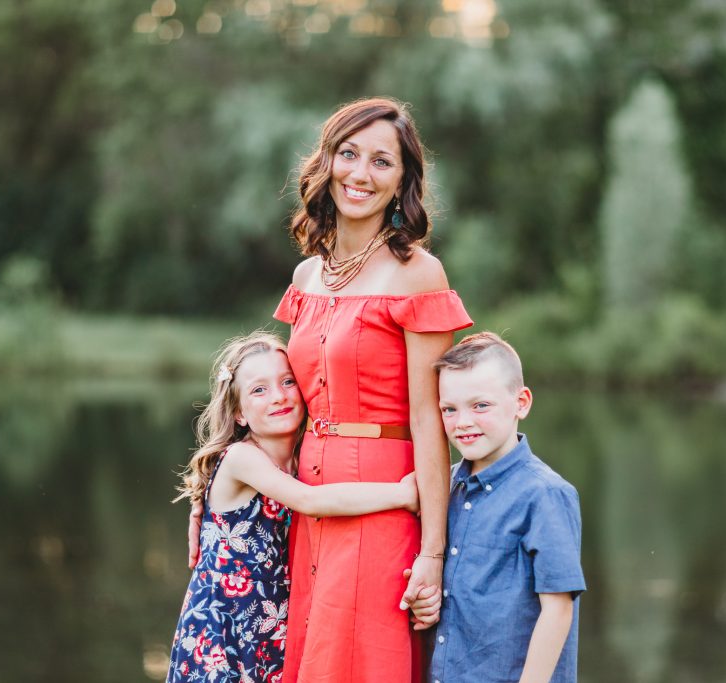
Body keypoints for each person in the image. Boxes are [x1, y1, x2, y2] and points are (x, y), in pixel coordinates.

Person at [271, 96, 472, 682]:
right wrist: (214, 496)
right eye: (349, 154)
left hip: (387, 493)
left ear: (403, 181)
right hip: (310, 498)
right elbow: (286, 410)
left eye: (382, 162)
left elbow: (429, 419)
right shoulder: (307, 275)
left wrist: (432, 554)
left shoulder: (418, 273)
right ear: (327, 161)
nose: (360, 174)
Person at [167, 331, 419, 683]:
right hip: (224, 626)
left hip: (270, 620)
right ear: (239, 413)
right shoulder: (243, 458)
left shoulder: (303, 457)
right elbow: (311, 501)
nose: (279, 396)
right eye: (259, 390)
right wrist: (402, 494)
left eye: (287, 382)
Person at [417, 332, 586, 683]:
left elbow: (557, 611)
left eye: (480, 406)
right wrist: (424, 602)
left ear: (521, 403)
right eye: (450, 409)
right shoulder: (444, 487)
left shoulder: (545, 494)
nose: (462, 421)